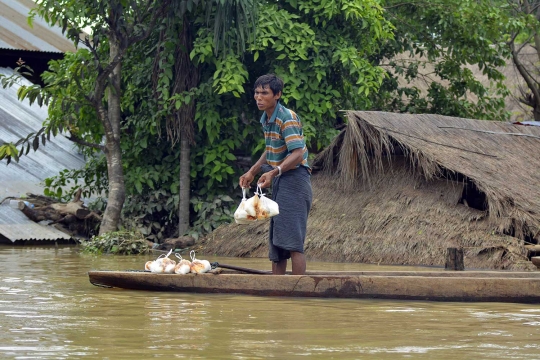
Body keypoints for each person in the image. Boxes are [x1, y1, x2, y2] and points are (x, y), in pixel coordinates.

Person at [239, 74, 313, 275]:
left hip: (295, 181)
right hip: (281, 179)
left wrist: (274, 172)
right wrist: (253, 171)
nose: (258, 97)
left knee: (292, 241)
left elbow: (297, 154)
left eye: (265, 93)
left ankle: (297, 292)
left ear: (277, 95)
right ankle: (278, 294)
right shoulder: (267, 118)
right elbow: (270, 149)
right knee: (277, 242)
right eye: (256, 93)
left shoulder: (286, 117)